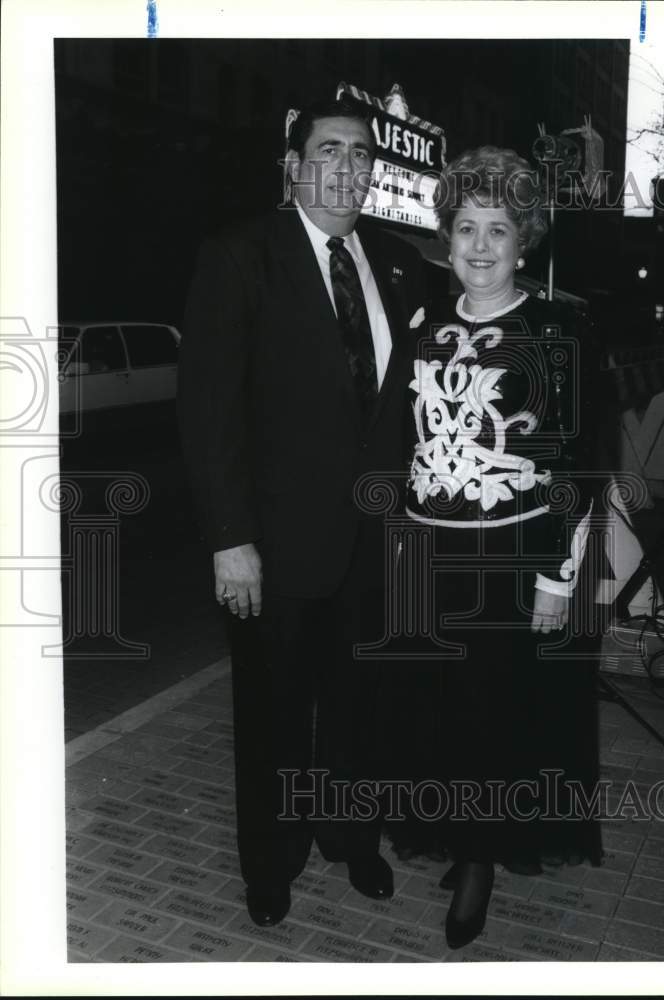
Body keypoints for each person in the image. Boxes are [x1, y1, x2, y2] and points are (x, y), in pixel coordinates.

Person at [177, 96, 427, 927]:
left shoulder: (396, 264)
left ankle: (353, 840)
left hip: (375, 544)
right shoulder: (240, 255)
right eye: (330, 150)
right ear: (293, 165)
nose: (348, 167)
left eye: (362, 155)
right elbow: (209, 411)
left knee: (361, 707)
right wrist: (230, 540)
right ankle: (272, 861)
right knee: (275, 712)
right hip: (275, 547)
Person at [383, 146, 604, 949]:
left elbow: (574, 464)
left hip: (512, 556)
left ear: (525, 242)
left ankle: (479, 857)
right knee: (440, 709)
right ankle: (463, 832)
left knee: (494, 714)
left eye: (498, 230)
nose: (480, 246)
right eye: (466, 228)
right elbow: (402, 448)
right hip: (433, 555)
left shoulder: (554, 332)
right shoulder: (422, 329)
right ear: (446, 237)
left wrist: (557, 576)